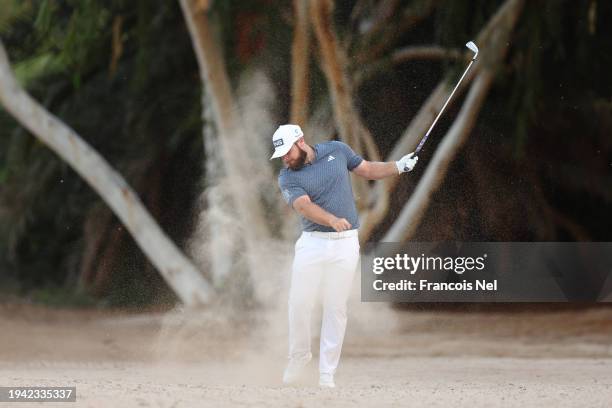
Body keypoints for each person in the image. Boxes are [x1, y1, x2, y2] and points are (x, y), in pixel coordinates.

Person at [270, 124, 418, 388]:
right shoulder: (287, 177)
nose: (285, 158)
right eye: (281, 154)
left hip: (345, 245)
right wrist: (331, 219)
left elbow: (368, 169)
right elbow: (303, 207)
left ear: (301, 141)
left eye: (287, 151)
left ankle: (327, 373)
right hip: (312, 244)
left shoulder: (337, 151)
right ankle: (299, 356)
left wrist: (399, 166)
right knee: (299, 303)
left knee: (336, 307)